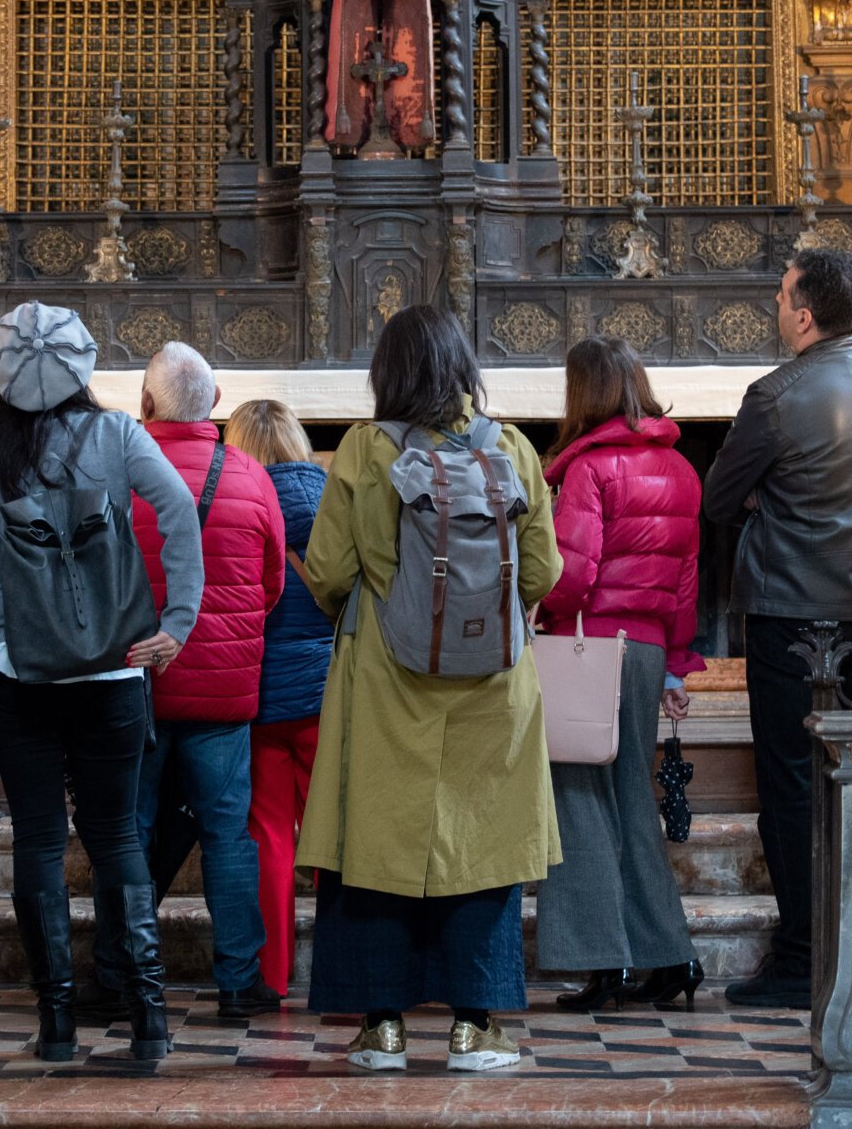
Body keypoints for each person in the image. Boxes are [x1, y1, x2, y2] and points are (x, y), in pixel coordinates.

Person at [295, 304, 564, 1072]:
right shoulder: (510, 445)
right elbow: (543, 571)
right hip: (492, 685)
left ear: (389, 371)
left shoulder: (360, 451)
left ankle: (381, 1027)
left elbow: (329, 573)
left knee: (375, 844)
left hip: (385, 678)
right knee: (481, 846)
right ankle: (475, 1027)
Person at [0, 302, 201, 1062]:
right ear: (81, 369)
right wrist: (177, 621)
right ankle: (148, 1017)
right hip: (113, 664)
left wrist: (22, 605)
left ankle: (56, 1023)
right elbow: (179, 508)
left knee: (39, 837)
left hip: (11, 670)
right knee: (118, 832)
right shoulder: (119, 435)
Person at [703, 248, 852, 1011]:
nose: (774, 299)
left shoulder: (776, 393)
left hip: (797, 613)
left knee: (793, 786)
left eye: (781, 291)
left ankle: (802, 957)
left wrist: (772, 499)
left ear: (803, 313)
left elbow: (720, 497)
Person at [82, 343, 286, 1021]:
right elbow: (272, 582)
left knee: (130, 831)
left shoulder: (115, 473)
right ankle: (239, 980)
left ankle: (123, 976)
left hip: (133, 682)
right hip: (222, 691)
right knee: (228, 836)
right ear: (217, 401)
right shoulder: (252, 476)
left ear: (143, 406)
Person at [534, 336, 707, 1011]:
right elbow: (687, 583)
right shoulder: (681, 468)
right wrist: (675, 664)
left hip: (589, 649)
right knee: (634, 800)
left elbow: (572, 575)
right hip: (647, 652)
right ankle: (670, 956)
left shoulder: (589, 468)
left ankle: (599, 963)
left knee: (577, 800)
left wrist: (540, 609)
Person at [225, 398, 334, 1002]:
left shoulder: (237, 497)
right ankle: (345, 970)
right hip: (326, 692)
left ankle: (271, 976)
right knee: (336, 836)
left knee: (270, 835)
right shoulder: (331, 497)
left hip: (262, 693)